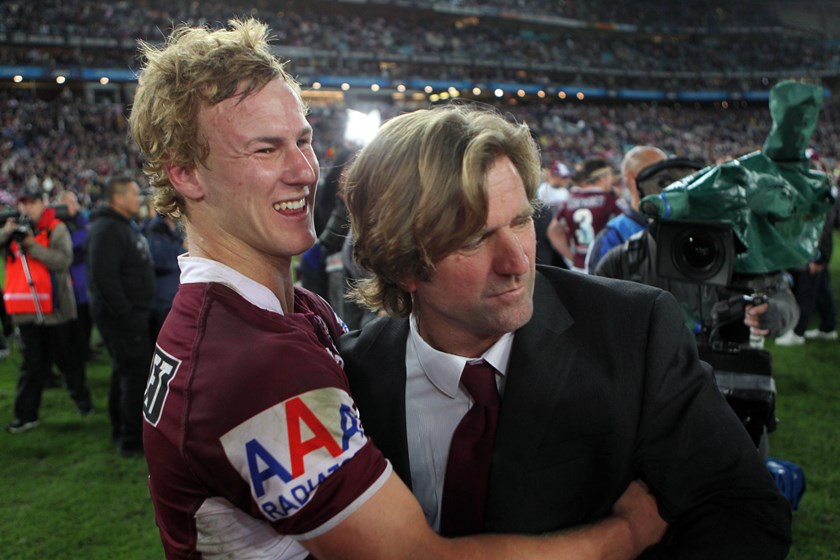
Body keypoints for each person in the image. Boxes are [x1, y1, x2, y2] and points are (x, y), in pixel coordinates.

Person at [132, 18, 666, 560]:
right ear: (186, 175)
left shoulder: (264, 316)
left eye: (304, 140)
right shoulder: (254, 364)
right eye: (264, 150)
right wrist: (625, 535)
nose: (304, 170)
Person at [339, 103, 792, 557]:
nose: (518, 263)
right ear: (400, 264)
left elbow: (743, 511)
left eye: (521, 222)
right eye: (473, 239)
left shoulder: (635, 331)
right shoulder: (352, 377)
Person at [2, 184, 93, 433]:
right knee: (32, 365)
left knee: (67, 359)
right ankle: (25, 415)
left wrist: (32, 245)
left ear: (42, 203)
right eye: (22, 203)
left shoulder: (56, 227)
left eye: (31, 202)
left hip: (55, 310)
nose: (26, 207)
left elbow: (63, 260)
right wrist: (6, 231)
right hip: (27, 310)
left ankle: (83, 402)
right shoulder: (12, 231)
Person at [87, 176, 155, 456]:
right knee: (135, 374)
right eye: (133, 193)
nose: (138, 198)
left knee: (124, 371)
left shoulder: (122, 226)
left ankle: (120, 427)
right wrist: (127, 315)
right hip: (123, 318)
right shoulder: (107, 229)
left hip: (131, 315)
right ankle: (131, 440)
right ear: (117, 198)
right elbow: (104, 280)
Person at [584, 147, 667, 274]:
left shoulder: (679, 224)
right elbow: (596, 289)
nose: (668, 180)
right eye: (659, 173)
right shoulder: (612, 235)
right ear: (632, 179)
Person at [776, 190, 839, 345]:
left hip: (813, 257)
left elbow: (823, 233)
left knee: (806, 294)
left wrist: (820, 259)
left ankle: (798, 333)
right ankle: (828, 328)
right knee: (822, 292)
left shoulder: (820, 202)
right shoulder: (819, 199)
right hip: (811, 255)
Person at [546, 158, 620, 272]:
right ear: (602, 178)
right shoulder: (610, 201)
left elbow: (553, 231)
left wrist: (572, 257)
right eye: (610, 176)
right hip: (604, 266)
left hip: (579, 267)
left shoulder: (569, 200)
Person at [58, 190, 96, 361]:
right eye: (69, 203)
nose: (74, 206)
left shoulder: (81, 220)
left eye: (74, 202)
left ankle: (86, 349)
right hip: (72, 279)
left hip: (85, 278)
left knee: (87, 318)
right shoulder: (60, 225)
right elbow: (74, 244)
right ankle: (77, 353)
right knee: (76, 321)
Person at [144, 213, 187, 341]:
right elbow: (160, 260)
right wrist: (181, 249)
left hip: (175, 290)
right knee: (165, 337)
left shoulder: (175, 226)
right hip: (163, 296)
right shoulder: (156, 228)